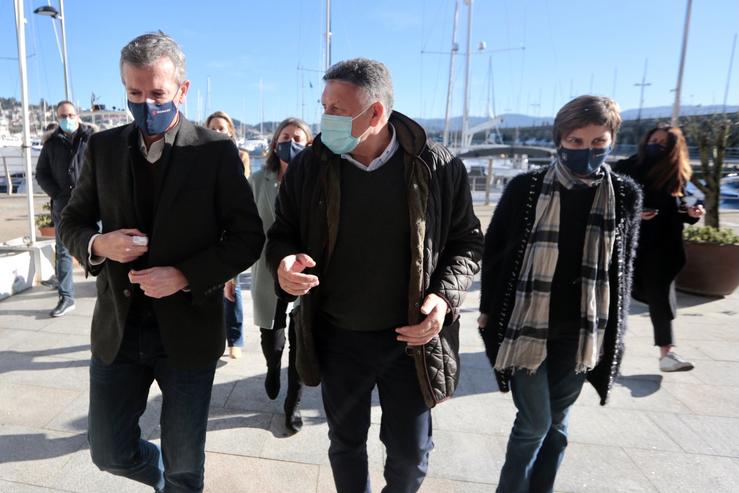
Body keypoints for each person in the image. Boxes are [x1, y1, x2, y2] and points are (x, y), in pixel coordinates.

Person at [266, 58, 483, 493]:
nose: (326, 119)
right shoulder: (311, 166)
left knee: (410, 457)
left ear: (377, 113)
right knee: (345, 444)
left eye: (338, 110)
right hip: (338, 337)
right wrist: (284, 264)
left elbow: (468, 243)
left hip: (412, 340)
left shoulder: (437, 166)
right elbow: (282, 233)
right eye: (323, 106)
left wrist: (443, 297)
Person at [59, 32, 264, 492]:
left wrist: (184, 276)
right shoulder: (103, 148)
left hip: (188, 333)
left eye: (157, 93)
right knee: (108, 451)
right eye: (134, 94)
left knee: (186, 464)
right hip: (119, 328)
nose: (145, 103)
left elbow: (248, 237)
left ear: (182, 90)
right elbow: (72, 220)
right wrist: (98, 244)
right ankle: (158, 479)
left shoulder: (214, 150)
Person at [478, 95, 642, 493]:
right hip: (526, 325)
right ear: (559, 141)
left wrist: (615, 329)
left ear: (612, 141)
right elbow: (496, 251)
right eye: (576, 141)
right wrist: (486, 309)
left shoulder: (624, 194)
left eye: (598, 142)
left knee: (558, 428)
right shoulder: (525, 188)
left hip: (583, 329)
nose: (587, 151)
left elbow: (623, 266)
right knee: (534, 424)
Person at [614, 126, 704, 372]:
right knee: (616, 296)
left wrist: (693, 214)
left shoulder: (677, 173)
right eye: (653, 139)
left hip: (664, 246)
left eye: (662, 143)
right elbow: (610, 198)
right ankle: (605, 349)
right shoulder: (627, 167)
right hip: (630, 242)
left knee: (661, 296)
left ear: (673, 148)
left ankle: (667, 353)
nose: (655, 145)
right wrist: (634, 213)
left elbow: (681, 207)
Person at [250, 117, 312, 433]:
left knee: (301, 341)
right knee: (272, 337)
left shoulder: (317, 180)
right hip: (267, 266)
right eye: (285, 136)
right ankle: (273, 366)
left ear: (309, 143)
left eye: (297, 136)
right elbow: (243, 228)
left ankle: (293, 405)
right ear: (275, 143)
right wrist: (231, 276)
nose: (290, 141)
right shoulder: (259, 180)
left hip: (307, 271)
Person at [35, 101, 94, 317]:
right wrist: (57, 194)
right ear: (57, 118)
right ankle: (66, 297)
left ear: (77, 115)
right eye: (62, 116)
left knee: (104, 246)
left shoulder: (92, 140)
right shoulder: (51, 144)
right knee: (63, 252)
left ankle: (109, 289)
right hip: (63, 208)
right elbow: (41, 173)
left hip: (92, 205)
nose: (66, 119)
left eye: (70, 115)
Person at [206, 110, 252, 359]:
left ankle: (236, 337)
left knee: (230, 285)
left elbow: (241, 189)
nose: (217, 131)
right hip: (205, 229)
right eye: (213, 127)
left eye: (222, 127)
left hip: (230, 227)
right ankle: (213, 336)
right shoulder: (196, 155)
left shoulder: (241, 156)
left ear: (230, 131)